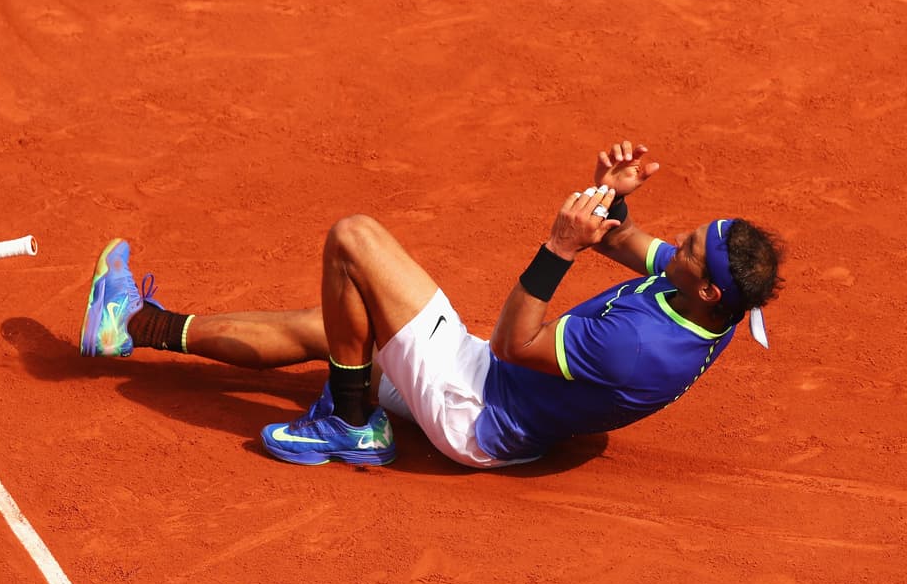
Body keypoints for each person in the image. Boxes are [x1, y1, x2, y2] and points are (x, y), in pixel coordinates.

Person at [78, 141, 785, 469]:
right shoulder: (709, 301)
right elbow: (629, 245)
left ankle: (353, 426)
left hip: (476, 408)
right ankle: (133, 326)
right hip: (509, 396)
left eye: (687, 249)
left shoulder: (639, 344)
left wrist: (559, 249)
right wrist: (611, 198)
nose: (676, 245)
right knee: (343, 329)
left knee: (354, 241)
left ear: (708, 288)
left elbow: (514, 341)